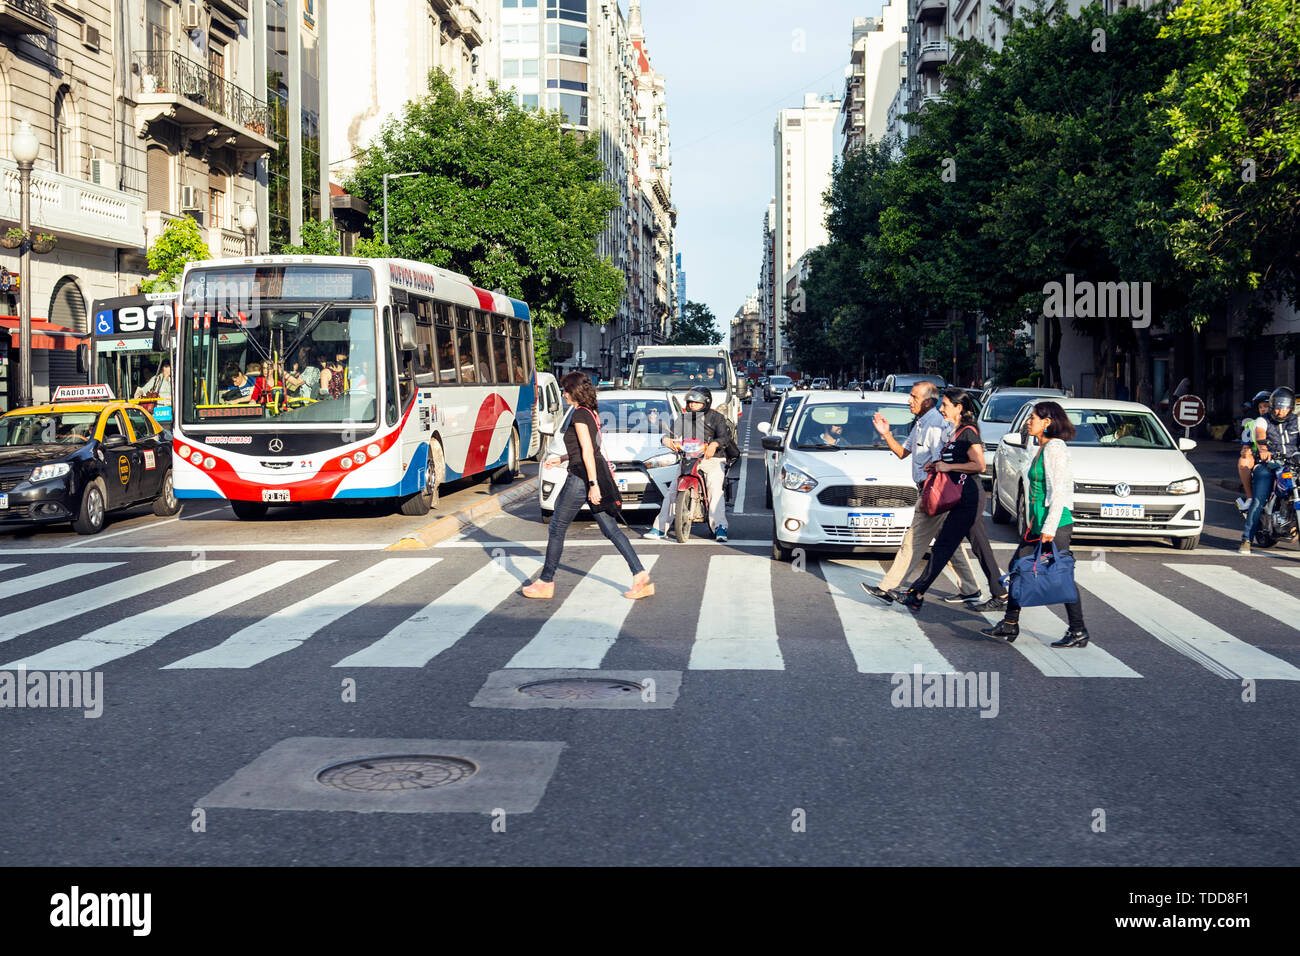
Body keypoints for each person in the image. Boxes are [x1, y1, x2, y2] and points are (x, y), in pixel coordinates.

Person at [523, 372, 653, 600]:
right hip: (587, 476)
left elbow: (587, 452)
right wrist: (562, 459)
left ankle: (546, 581)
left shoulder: (579, 415)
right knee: (610, 529)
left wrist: (593, 485)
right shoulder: (589, 413)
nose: (563, 394)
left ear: (575, 392)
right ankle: (640, 576)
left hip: (581, 479)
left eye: (565, 390)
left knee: (556, 527)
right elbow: (586, 449)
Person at [981, 401, 1088, 647]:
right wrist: (1032, 521)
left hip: (1055, 524)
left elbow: (1059, 491)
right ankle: (1009, 625)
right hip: (1038, 523)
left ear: (1047, 422)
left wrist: (1049, 527)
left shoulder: (1056, 449)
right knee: (1018, 566)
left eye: (1033, 418)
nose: (1028, 422)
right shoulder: (1041, 447)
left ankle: (1078, 630)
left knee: (1062, 576)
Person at [862, 382, 981, 603]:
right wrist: (886, 434)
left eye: (914, 397)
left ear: (927, 402)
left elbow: (946, 457)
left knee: (913, 541)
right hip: (929, 490)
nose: (909, 401)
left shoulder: (937, 424)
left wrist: (936, 471)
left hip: (934, 491)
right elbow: (902, 453)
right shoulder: (920, 423)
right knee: (948, 545)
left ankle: (887, 588)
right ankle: (970, 589)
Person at [895, 389, 1007, 612]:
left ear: (960, 408)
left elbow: (980, 465)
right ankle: (1001, 593)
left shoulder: (969, 432)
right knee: (980, 547)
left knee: (944, 546)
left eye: (945, 405)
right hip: (960, 495)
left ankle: (916, 593)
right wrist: (936, 466)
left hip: (969, 497)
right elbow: (951, 461)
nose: (941, 409)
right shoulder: (955, 432)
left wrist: (948, 466)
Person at [643, 386, 735, 542]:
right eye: (690, 403)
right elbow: (670, 435)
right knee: (672, 492)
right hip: (688, 459)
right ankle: (659, 529)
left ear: (706, 403)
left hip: (712, 460)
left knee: (714, 489)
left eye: (696, 403)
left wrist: (714, 445)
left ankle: (720, 527)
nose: (693, 405)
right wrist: (666, 440)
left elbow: (724, 437)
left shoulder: (717, 417)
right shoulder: (684, 418)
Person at [1241, 386, 1298, 554]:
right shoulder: (1262, 421)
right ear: (1272, 406)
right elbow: (1260, 435)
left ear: (1290, 407)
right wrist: (1263, 450)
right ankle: (1246, 538)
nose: (1281, 411)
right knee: (1258, 500)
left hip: (1292, 464)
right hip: (1269, 464)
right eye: (1278, 407)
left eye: (1285, 407)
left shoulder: (1297, 420)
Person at [1237, 390, 1271, 509]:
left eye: (1266, 406)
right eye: (1260, 407)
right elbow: (1245, 446)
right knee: (1244, 459)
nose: (1263, 409)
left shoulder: (1283, 423)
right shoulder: (1252, 424)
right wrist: (1246, 451)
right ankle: (1250, 497)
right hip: (1259, 458)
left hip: (1282, 457)